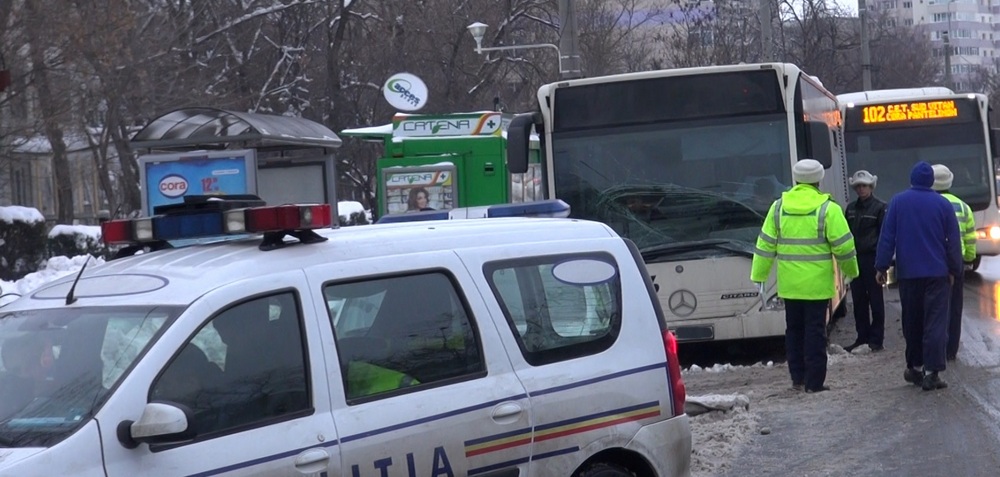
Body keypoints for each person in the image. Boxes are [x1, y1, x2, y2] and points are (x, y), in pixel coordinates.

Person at [751, 159, 859, 393]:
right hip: (817, 286)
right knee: (815, 332)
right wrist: (851, 272)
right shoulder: (828, 209)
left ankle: (797, 378)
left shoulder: (778, 207)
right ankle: (814, 382)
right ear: (819, 179)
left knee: (794, 331)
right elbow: (844, 246)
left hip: (790, 285)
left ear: (796, 179)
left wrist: (759, 276)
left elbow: (765, 245)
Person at [875, 161, 962, 391]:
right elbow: (953, 242)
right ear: (931, 181)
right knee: (935, 322)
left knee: (912, 321)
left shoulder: (898, 202)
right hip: (937, 274)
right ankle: (932, 373)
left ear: (912, 179)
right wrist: (955, 270)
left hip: (909, 274)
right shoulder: (943, 205)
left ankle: (914, 367)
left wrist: (881, 267)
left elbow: (887, 237)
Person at [931, 164, 977, 361]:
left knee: (935, 309)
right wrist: (969, 258)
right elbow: (970, 237)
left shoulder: (929, 205)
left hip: (933, 263)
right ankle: (951, 350)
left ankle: (936, 347)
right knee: (955, 307)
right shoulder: (962, 206)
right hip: (956, 264)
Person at [844, 170, 888, 353]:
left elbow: (884, 236)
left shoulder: (880, 208)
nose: (861, 189)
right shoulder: (850, 209)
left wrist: (883, 264)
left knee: (876, 300)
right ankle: (862, 338)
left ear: (871, 187)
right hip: (855, 258)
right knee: (859, 300)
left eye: (864, 186)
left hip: (873, 258)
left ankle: (876, 340)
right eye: (858, 186)